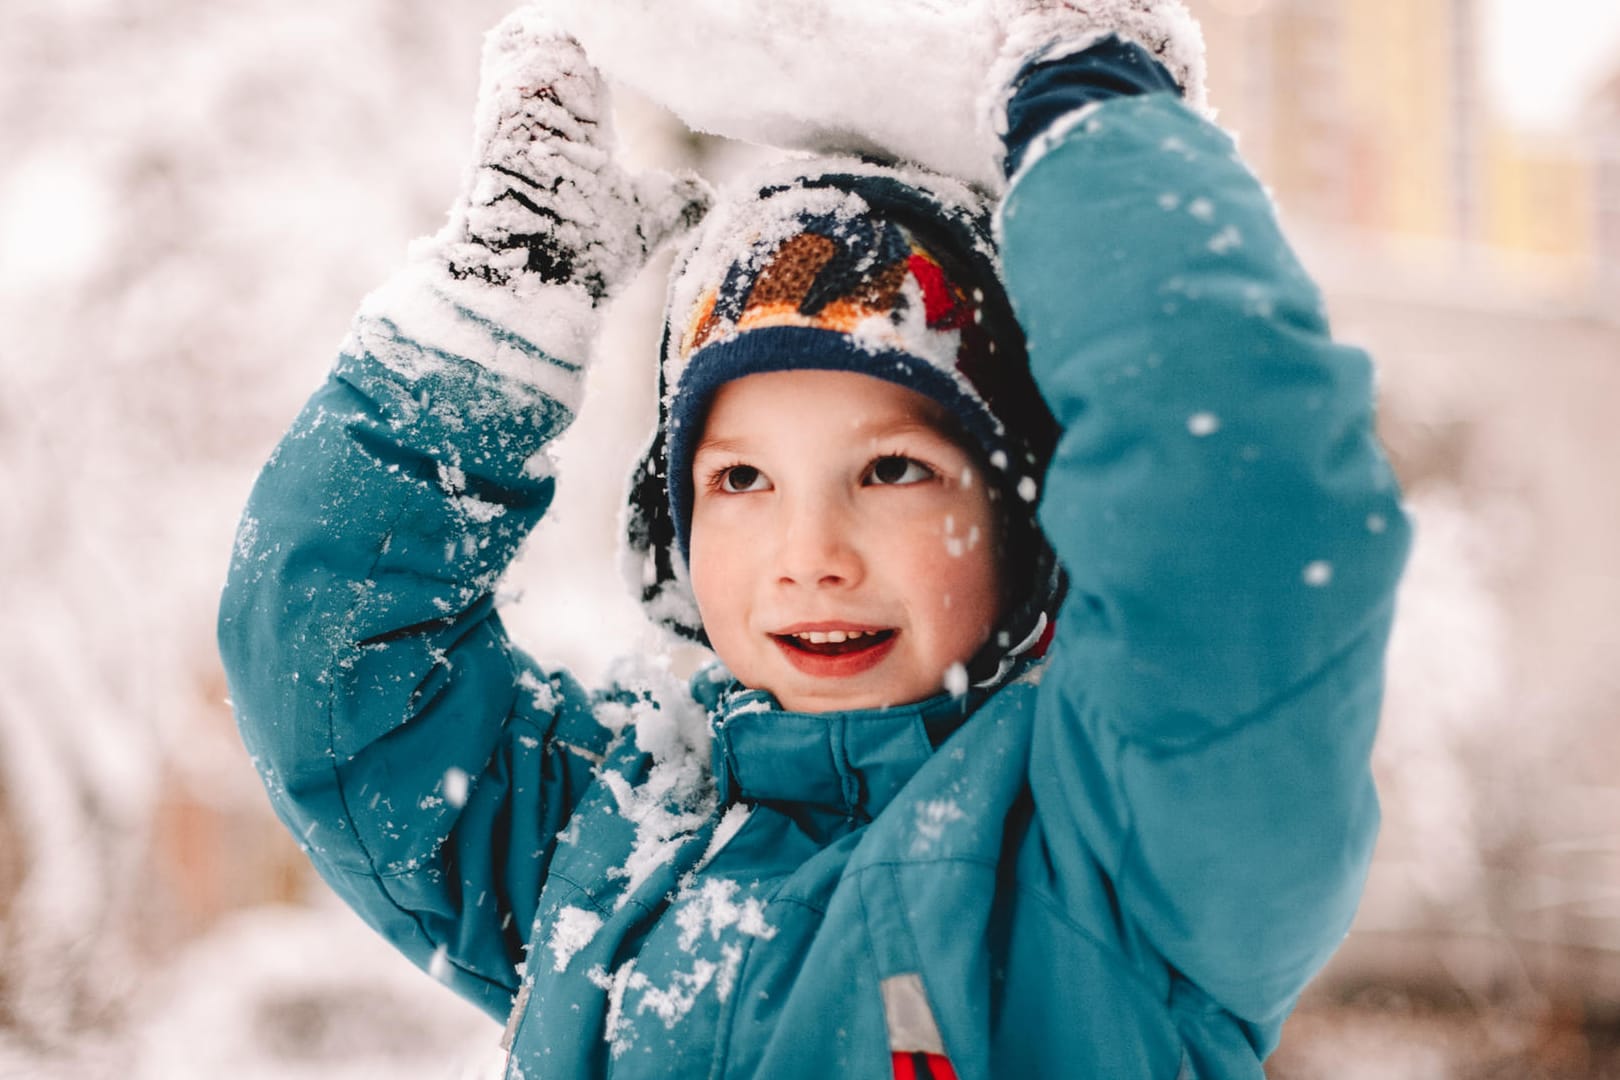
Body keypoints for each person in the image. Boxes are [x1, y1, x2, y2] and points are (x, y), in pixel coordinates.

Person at [218, 1, 1411, 1076]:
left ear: (1029, 516)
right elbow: (332, 674)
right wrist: (491, 319)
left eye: (892, 469)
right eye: (740, 478)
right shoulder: (605, 844)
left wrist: (1091, 134)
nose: (811, 552)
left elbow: (1240, 529)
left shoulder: (1123, 863)